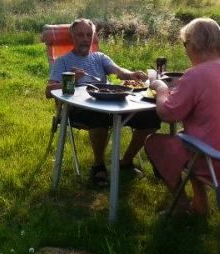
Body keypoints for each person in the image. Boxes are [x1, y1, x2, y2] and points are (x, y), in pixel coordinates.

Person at [145, 18, 220, 216]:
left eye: (185, 44)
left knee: (154, 142)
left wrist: (161, 89)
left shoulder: (195, 75)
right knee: (188, 136)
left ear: (194, 45)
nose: (185, 50)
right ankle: (200, 205)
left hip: (217, 162)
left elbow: (168, 114)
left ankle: (181, 205)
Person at [45, 18, 161, 186]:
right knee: (98, 116)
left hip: (107, 102)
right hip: (78, 107)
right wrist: (70, 80)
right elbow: (48, 91)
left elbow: (119, 71)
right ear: (72, 37)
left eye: (88, 35)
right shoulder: (63, 61)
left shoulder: (99, 57)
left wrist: (131, 75)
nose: (85, 39)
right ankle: (98, 165)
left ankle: (126, 161)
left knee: (151, 117)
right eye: (80, 35)